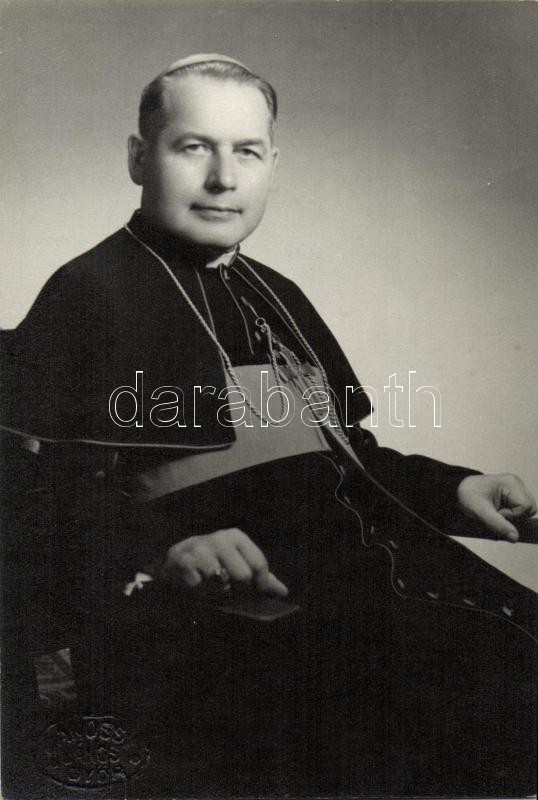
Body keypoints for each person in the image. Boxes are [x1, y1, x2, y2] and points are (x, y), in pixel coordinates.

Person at [1, 54, 536, 798]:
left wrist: (455, 490)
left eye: (247, 152)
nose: (224, 178)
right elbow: (28, 504)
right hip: (234, 631)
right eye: (194, 147)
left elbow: (346, 460)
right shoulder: (86, 295)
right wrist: (162, 546)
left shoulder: (274, 292)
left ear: (272, 166)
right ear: (138, 158)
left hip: (378, 587)